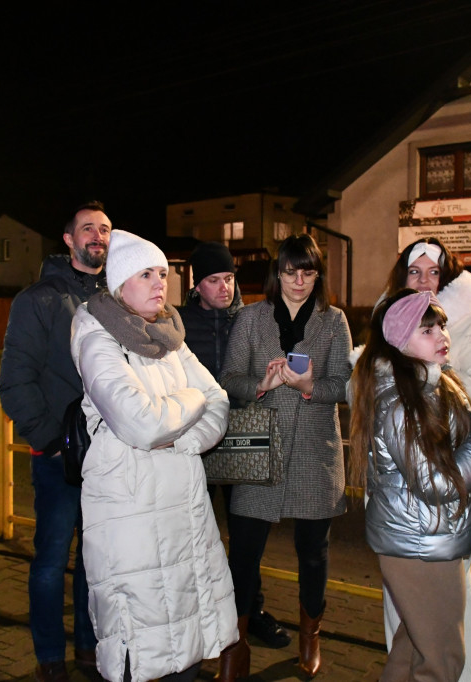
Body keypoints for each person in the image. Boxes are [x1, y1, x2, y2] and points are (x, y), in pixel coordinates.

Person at [70, 230, 238, 682]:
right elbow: (139, 424)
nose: (160, 283)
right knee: (140, 642)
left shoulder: (169, 335)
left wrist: (179, 439)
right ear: (121, 283)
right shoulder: (96, 335)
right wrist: (189, 401)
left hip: (183, 507)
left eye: (163, 273)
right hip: (131, 513)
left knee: (185, 640)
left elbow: (218, 401)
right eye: (146, 274)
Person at [348, 289, 471, 681]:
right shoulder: (403, 402)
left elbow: (448, 470)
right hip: (421, 548)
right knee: (442, 662)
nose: (442, 335)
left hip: (428, 541)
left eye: (441, 325)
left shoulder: (435, 385)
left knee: (411, 654)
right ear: (400, 341)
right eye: (427, 329)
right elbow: (436, 484)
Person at [218, 233, 352, 679]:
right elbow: (230, 378)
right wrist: (263, 384)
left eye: (308, 272)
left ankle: (310, 635)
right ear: (278, 273)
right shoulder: (252, 318)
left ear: (318, 274)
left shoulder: (334, 321)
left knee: (313, 553)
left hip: (315, 452)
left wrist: (310, 386)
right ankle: (234, 645)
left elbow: (344, 385)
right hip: (259, 447)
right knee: (244, 553)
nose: (299, 281)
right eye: (291, 271)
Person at [0, 201, 110, 682]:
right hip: (59, 459)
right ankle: (49, 657)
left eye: (105, 230)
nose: (98, 237)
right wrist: (52, 440)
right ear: (68, 239)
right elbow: (14, 382)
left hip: (108, 456)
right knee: (50, 559)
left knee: (95, 560)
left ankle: (87, 647)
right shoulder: (37, 299)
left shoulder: (115, 297)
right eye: (88, 229)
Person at [177, 241, 291, 652]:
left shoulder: (252, 319)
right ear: (196, 283)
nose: (224, 287)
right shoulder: (179, 322)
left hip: (246, 435)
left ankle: (248, 611)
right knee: (196, 534)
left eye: (228, 278)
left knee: (247, 535)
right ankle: (202, 614)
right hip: (196, 440)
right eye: (213, 280)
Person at [383, 237, 471, 413]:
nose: (423, 280)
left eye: (434, 272)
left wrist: (426, 384)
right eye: (414, 272)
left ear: (446, 278)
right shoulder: (388, 322)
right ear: (402, 278)